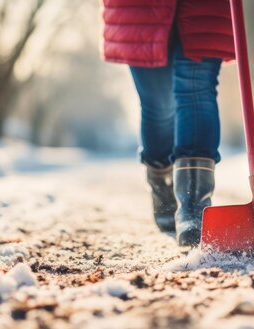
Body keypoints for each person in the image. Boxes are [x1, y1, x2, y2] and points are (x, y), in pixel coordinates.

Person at [100, 0, 236, 247]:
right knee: (159, 105)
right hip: (140, 8)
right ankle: (162, 187)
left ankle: (194, 210)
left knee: (196, 91)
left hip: (205, 8)